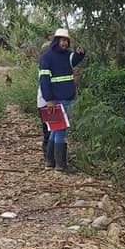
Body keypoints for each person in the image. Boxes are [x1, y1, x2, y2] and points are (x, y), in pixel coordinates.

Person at [39, 28, 85, 173]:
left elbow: (75, 60)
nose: (65, 43)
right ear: (56, 41)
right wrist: (49, 100)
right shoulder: (47, 58)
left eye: (66, 41)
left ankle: (50, 162)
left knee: (55, 129)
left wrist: (80, 53)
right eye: (62, 40)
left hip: (66, 97)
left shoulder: (68, 55)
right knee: (60, 130)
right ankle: (60, 165)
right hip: (56, 99)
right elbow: (44, 80)